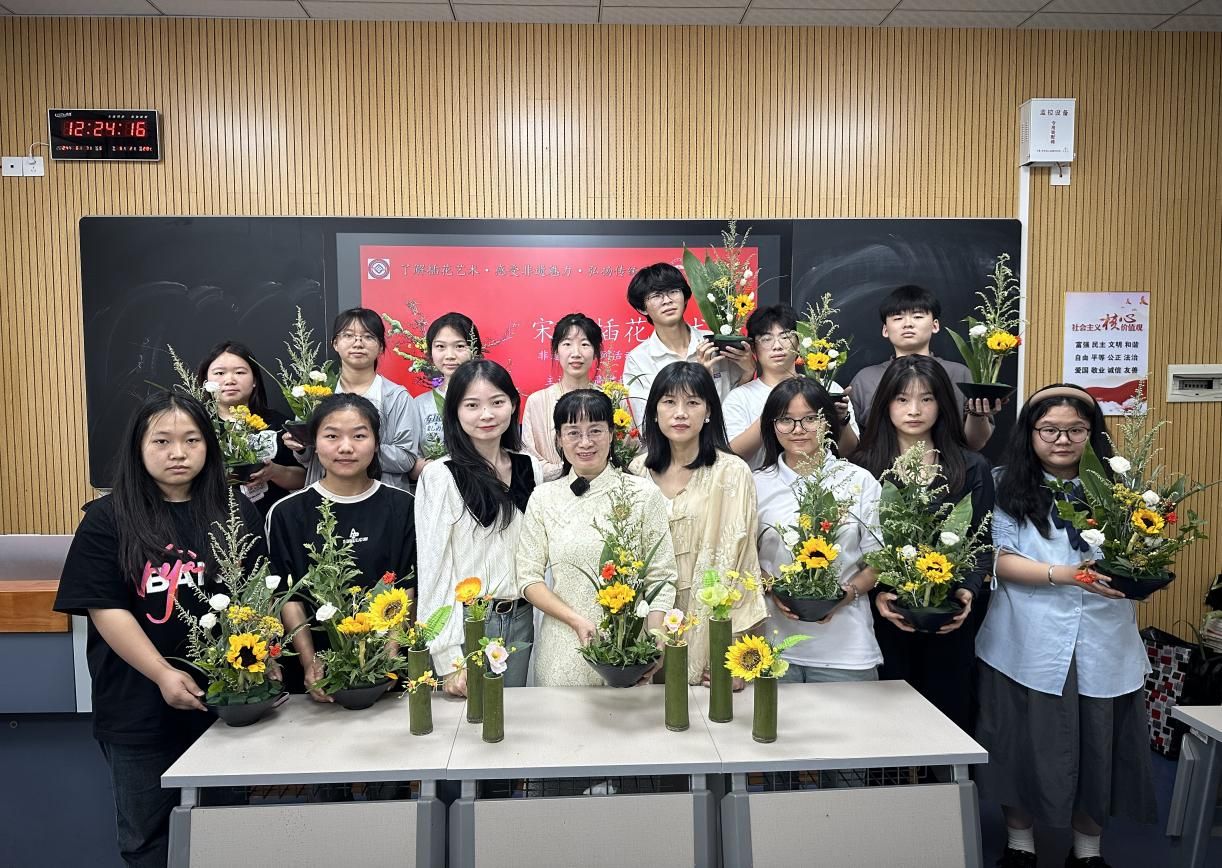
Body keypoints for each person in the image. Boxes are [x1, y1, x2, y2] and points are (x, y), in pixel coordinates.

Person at [54, 393, 262, 868]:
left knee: (227, 833)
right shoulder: (107, 518)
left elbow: (255, 596)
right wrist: (163, 673)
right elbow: (106, 608)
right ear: (139, 447)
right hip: (137, 707)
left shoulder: (234, 511)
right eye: (162, 441)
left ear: (209, 446)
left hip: (224, 704)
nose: (178, 453)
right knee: (147, 840)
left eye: (191, 440)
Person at [975, 384, 1155, 868]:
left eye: (1076, 430)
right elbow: (999, 559)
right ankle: (1020, 844)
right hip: (1024, 637)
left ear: (1093, 434)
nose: (1062, 440)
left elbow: (1142, 553)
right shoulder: (1003, 483)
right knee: (1017, 743)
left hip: (1103, 637)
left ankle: (1088, 852)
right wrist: (1066, 575)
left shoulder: (1122, 486)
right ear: (1030, 433)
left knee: (1098, 746)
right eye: (1050, 430)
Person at [849, 355, 993, 732]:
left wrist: (966, 592)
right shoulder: (862, 467)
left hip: (948, 619)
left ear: (942, 403)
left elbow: (981, 543)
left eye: (926, 399)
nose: (914, 410)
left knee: (948, 724)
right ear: (886, 404)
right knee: (885, 730)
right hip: (885, 617)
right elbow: (854, 548)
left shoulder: (971, 466)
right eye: (902, 399)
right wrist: (877, 595)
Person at [516, 389, 679, 686]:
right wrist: (576, 621)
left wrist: (656, 639)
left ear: (612, 434)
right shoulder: (544, 497)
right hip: (563, 652)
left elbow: (662, 575)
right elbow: (528, 579)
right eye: (573, 432)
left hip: (628, 654)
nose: (585, 442)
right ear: (558, 439)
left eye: (595, 430)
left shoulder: (643, 494)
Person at [267, 393, 417, 700]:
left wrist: (388, 657)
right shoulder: (286, 513)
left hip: (386, 670)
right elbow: (287, 596)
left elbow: (407, 587)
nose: (346, 447)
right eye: (332, 436)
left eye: (359, 436)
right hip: (318, 676)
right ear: (314, 442)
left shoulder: (403, 506)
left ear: (376, 443)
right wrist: (310, 663)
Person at [628, 362, 766, 685]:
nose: (680, 413)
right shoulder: (636, 473)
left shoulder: (732, 472)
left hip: (709, 630)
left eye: (692, 402)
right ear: (654, 412)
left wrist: (736, 656)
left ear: (708, 411)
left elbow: (743, 564)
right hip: (646, 625)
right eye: (669, 402)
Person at [416, 360, 542, 694]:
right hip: (468, 623)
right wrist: (448, 659)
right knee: (468, 721)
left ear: (513, 404)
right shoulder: (440, 476)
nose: (486, 414)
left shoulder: (530, 467)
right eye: (472, 405)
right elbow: (434, 569)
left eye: (497, 402)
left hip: (522, 620)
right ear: (455, 411)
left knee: (517, 716)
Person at [754, 378, 884, 682]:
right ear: (772, 426)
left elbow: (879, 561)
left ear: (828, 422)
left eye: (810, 418)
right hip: (773, 647)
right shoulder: (755, 483)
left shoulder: (859, 481)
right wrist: (772, 588)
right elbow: (743, 557)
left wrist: (847, 594)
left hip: (846, 650)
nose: (798, 429)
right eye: (786, 419)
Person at [847, 285, 999, 450]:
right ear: (885, 330)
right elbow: (850, 445)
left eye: (918, 316)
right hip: (879, 465)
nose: (908, 324)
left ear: (935, 325)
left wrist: (978, 414)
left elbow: (975, 444)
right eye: (898, 318)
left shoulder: (960, 374)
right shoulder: (865, 379)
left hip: (950, 464)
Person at [283, 307, 419, 491]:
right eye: (348, 335)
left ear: (380, 347)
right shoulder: (315, 393)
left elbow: (406, 459)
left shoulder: (397, 397)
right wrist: (300, 446)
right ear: (335, 343)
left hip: (382, 495)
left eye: (368, 336)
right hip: (324, 496)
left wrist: (358, 448)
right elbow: (307, 460)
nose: (358, 343)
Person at [723, 304, 858, 469]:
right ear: (753, 348)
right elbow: (732, 456)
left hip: (820, 481)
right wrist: (772, 411)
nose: (777, 346)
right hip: (760, 483)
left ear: (799, 343)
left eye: (785, 337)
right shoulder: (739, 397)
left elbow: (849, 451)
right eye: (766, 339)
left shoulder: (828, 389)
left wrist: (842, 419)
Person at [622, 262, 754, 424]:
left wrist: (748, 372)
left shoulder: (716, 343)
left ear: (685, 297)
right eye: (656, 295)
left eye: (673, 291)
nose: (667, 300)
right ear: (642, 308)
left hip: (724, 439)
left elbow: (738, 409)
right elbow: (646, 423)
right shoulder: (638, 359)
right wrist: (702, 379)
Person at [195, 340, 305, 515]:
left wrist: (274, 472)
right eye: (220, 373)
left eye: (240, 372)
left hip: (270, 520)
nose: (229, 380)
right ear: (206, 381)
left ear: (254, 380)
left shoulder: (276, 423)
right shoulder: (197, 425)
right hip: (212, 518)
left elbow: (304, 478)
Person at [522, 312, 601, 481]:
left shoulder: (612, 398)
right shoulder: (537, 402)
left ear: (595, 352)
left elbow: (628, 451)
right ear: (556, 351)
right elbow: (530, 460)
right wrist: (572, 474)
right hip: (551, 491)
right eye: (567, 344)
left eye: (585, 344)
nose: (576, 353)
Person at [410, 311, 482, 477]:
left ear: (475, 350)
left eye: (460, 346)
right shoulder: (420, 404)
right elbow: (411, 466)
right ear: (431, 352)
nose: (450, 356)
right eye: (440, 347)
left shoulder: (490, 398)